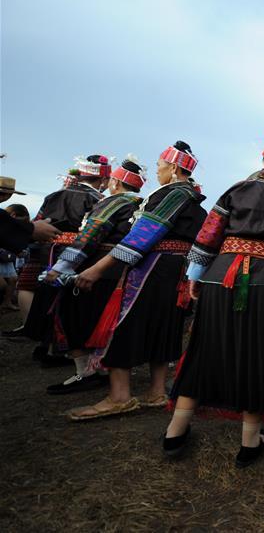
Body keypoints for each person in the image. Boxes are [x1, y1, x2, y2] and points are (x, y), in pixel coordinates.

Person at [164, 111, 264, 466]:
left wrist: (194, 274)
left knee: (205, 348)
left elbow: (209, 235)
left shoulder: (237, 189)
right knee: (261, 353)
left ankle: (175, 431)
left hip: (219, 276)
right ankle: (250, 442)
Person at [67, 141, 206, 420]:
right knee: (164, 324)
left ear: (175, 168)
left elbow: (141, 237)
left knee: (126, 323)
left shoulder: (171, 195)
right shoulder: (191, 199)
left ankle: (120, 396)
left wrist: (97, 269)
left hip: (152, 267)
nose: (156, 171)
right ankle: (156, 390)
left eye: (159, 165)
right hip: (176, 269)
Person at [41, 158, 147, 395]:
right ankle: (101, 369)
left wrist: (61, 266)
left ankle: (86, 373)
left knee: (76, 317)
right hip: (124, 270)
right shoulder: (143, 205)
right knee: (105, 320)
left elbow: (91, 233)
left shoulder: (114, 202)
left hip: (95, 268)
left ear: (115, 182)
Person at [18, 157, 110, 357]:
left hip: (49, 249)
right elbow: (95, 231)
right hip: (79, 253)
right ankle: (63, 349)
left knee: (47, 295)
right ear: (103, 179)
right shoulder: (99, 200)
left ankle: (45, 343)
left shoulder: (54, 195)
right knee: (70, 301)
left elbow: (38, 222)